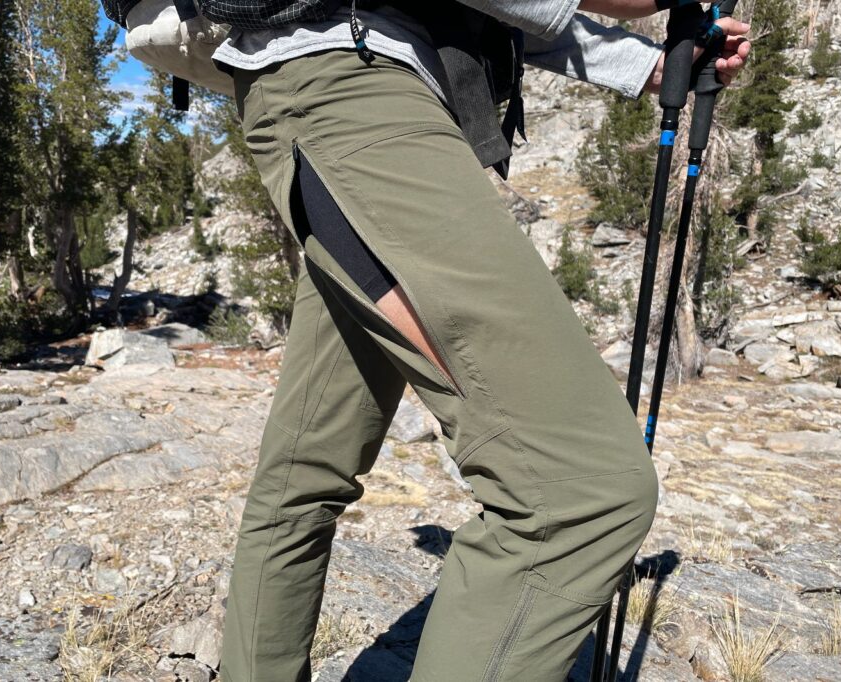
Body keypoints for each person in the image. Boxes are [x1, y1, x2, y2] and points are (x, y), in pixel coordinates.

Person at [215, 1, 750, 680]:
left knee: (302, 473)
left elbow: (494, 17)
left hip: (342, 96)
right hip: (358, 103)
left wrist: (647, 62)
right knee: (583, 493)